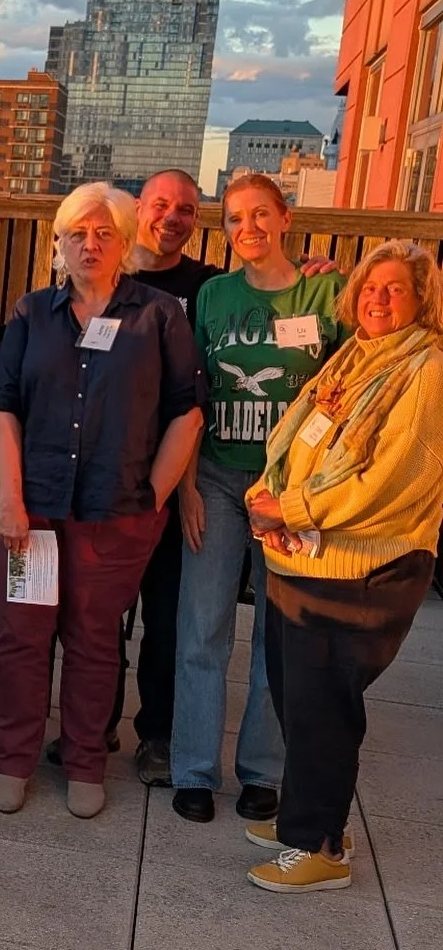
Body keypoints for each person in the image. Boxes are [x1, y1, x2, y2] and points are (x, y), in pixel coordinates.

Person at [0, 182, 204, 820]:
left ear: (125, 241)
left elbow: (186, 414)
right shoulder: (32, 313)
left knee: (94, 640)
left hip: (117, 514)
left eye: (104, 232)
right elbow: (2, 409)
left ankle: (84, 759)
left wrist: (154, 500)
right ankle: (14, 759)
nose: (90, 243)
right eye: (78, 232)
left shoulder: (159, 314)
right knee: (23, 637)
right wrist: (10, 501)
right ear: (59, 241)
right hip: (36, 513)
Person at [242, 241, 443, 892]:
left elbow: (393, 479)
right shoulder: (357, 355)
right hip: (302, 549)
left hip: (362, 566)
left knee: (325, 702)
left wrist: (292, 506)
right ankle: (312, 817)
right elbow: (298, 434)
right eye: (370, 287)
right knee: (297, 695)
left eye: (396, 290)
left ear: (422, 302)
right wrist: (266, 498)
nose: (379, 299)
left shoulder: (427, 369)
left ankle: (321, 847)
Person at [171, 174, 346, 826]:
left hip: (289, 496)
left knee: (279, 640)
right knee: (202, 629)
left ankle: (261, 771)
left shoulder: (325, 290)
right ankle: (192, 769)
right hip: (217, 480)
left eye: (260, 215)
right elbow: (191, 397)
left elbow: (359, 367)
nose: (249, 228)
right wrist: (187, 486)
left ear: (285, 218)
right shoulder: (213, 296)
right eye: (237, 219)